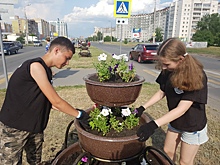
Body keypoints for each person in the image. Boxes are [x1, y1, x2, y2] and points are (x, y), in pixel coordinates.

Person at [0, 37, 90, 165]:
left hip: (34, 127)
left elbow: (51, 103)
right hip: (15, 128)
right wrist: (80, 115)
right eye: (67, 58)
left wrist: (75, 112)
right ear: (56, 50)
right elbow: (56, 101)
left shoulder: (46, 70)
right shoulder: (35, 66)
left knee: (35, 162)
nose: (67, 63)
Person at [135, 38, 208, 165]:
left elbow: (182, 108)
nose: (163, 67)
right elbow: (161, 92)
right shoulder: (168, 71)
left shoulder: (196, 75)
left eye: (167, 64)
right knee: (167, 153)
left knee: (185, 161)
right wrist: (142, 107)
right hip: (175, 121)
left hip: (192, 125)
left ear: (180, 59)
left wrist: (153, 124)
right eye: (162, 63)